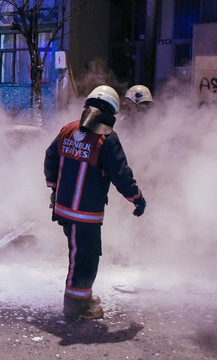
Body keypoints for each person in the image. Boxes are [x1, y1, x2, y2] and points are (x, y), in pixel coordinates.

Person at [44, 85, 147, 320]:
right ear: (111, 112)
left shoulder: (68, 130)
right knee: (85, 259)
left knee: (79, 254)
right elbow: (121, 175)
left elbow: (50, 156)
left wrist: (53, 188)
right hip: (85, 214)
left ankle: (82, 295)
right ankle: (75, 307)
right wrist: (137, 198)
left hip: (64, 210)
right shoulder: (106, 139)